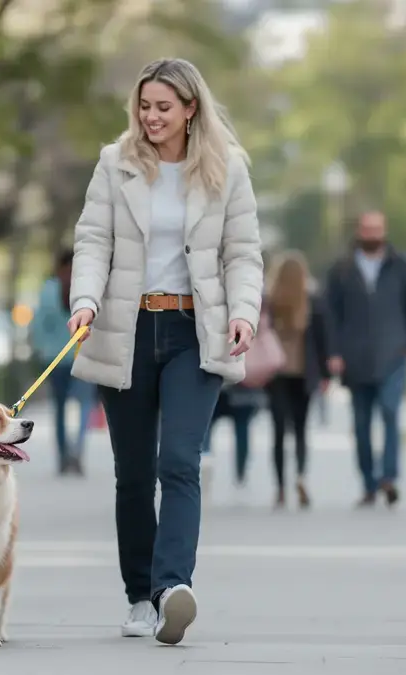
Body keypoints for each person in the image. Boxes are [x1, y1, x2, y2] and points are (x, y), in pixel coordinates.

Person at [66, 58, 264, 645]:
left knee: (180, 461)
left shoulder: (227, 169)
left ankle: (172, 587)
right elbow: (93, 238)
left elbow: (244, 252)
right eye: (145, 106)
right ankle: (138, 596)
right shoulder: (115, 163)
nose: (151, 117)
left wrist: (243, 313)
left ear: (190, 109)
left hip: (192, 331)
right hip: (124, 327)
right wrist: (84, 301)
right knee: (133, 473)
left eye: (163, 107)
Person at [324, 210, 406, 507]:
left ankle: (389, 477)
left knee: (392, 413)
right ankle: (368, 482)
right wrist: (333, 352)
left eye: (376, 228)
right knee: (361, 424)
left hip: (393, 354)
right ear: (359, 231)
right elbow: (330, 314)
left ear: (385, 230)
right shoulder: (341, 269)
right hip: (355, 358)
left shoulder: (402, 266)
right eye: (366, 229)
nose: (371, 234)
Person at [263, 251, 331, 509]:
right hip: (305, 373)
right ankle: (301, 475)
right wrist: (326, 375)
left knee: (279, 432)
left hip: (276, 373)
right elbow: (323, 340)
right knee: (301, 430)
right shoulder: (312, 300)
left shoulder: (269, 301)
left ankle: (280, 488)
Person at [29, 249, 97, 476]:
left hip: (55, 359)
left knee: (59, 410)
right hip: (83, 355)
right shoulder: (87, 290)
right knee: (85, 406)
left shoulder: (48, 290)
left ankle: (63, 456)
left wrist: (43, 349)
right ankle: (77, 451)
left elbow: (38, 327)